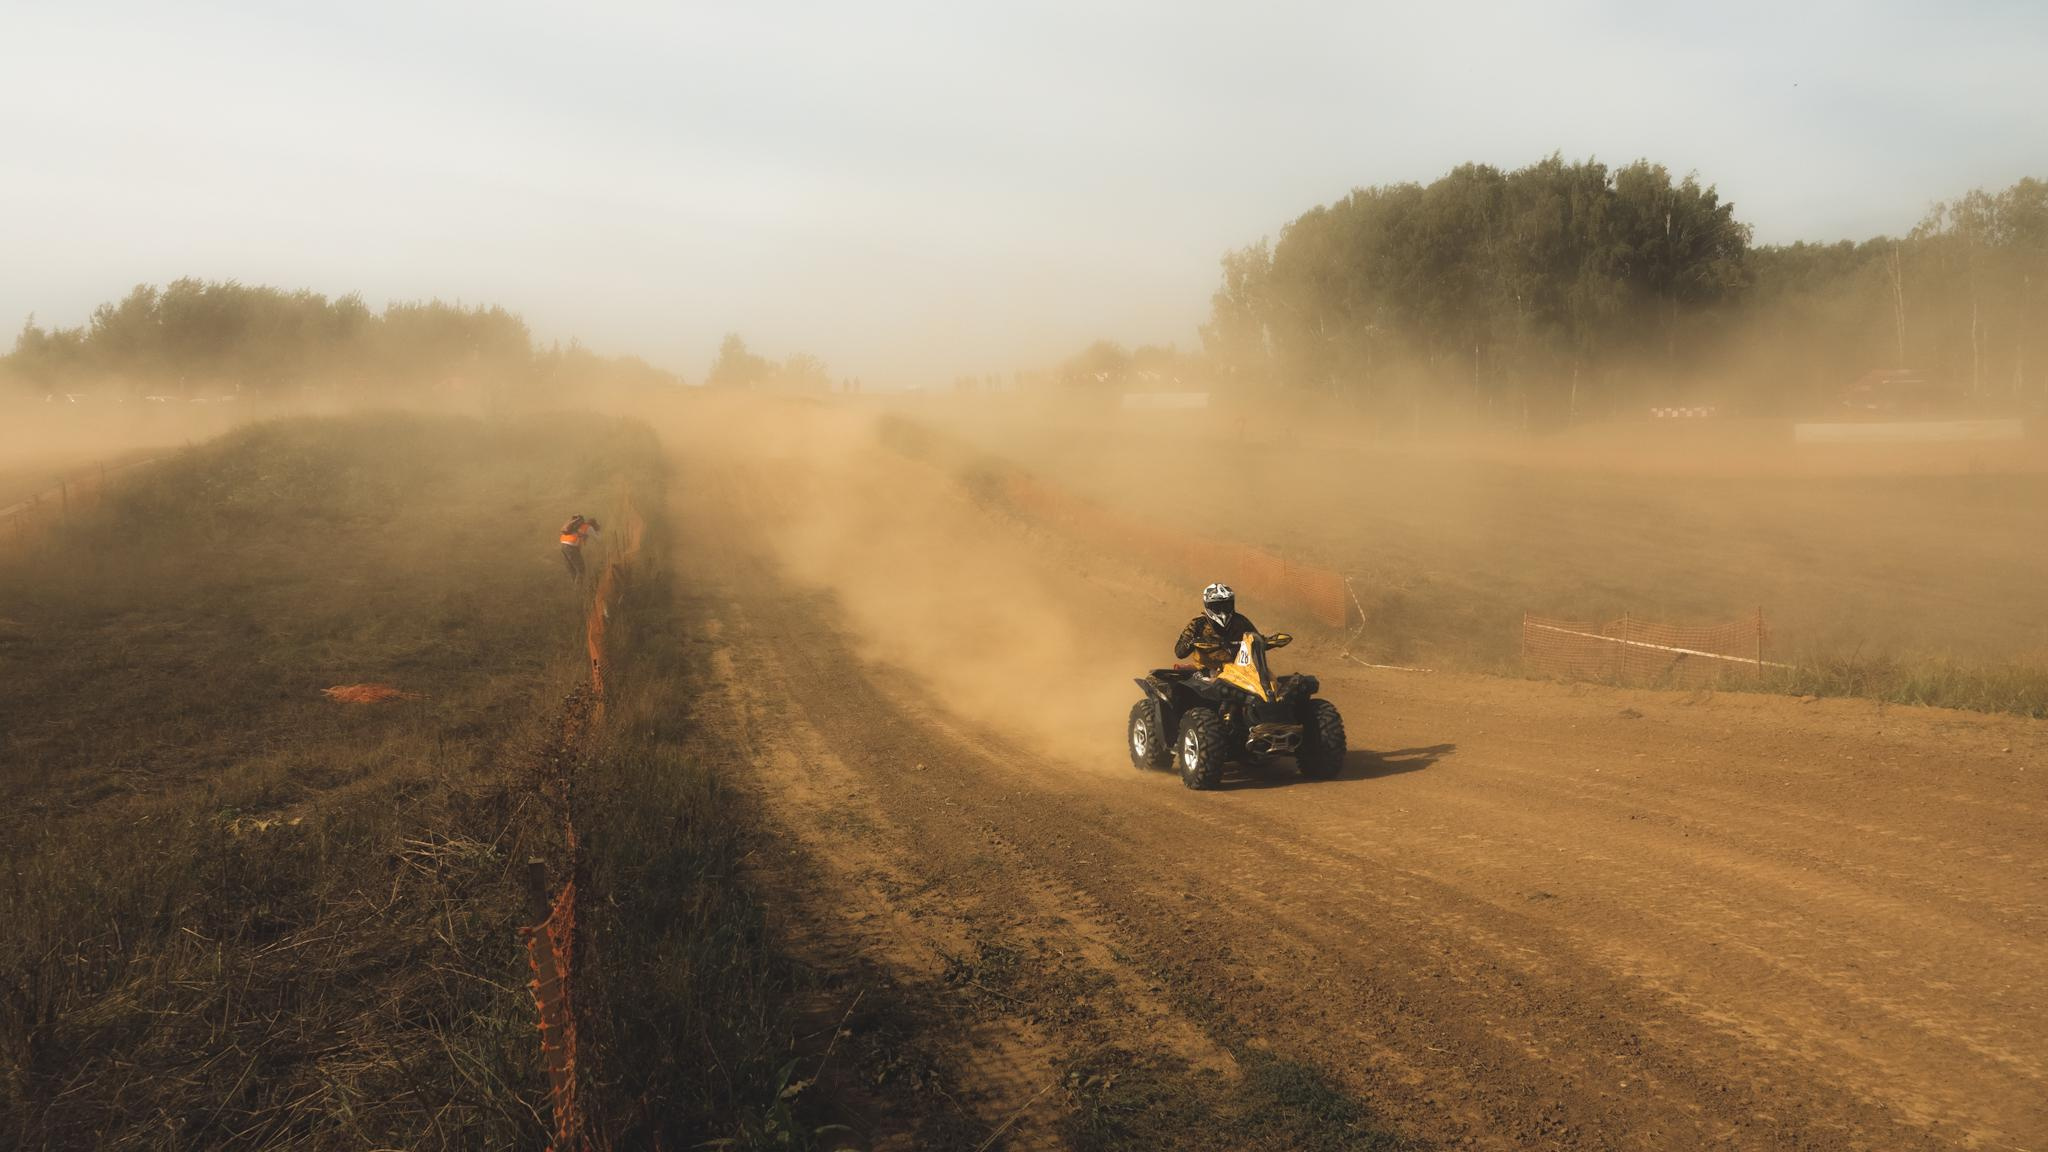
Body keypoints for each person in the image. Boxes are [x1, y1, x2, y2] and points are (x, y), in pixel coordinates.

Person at [1174, 582, 1259, 673]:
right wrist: (1190, 643)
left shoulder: (1241, 622)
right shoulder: (1198, 623)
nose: (1222, 612)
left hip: (1237, 670)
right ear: (1208, 606)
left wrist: (1265, 642)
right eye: (1217, 607)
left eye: (1226, 606)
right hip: (1205, 670)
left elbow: (1257, 640)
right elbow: (1179, 653)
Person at [558, 514, 601, 580]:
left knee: (572, 570)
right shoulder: (588, 527)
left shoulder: (576, 526)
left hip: (563, 545)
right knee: (581, 569)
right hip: (571, 547)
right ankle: (579, 586)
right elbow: (599, 540)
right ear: (593, 525)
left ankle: (575, 585)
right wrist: (598, 531)